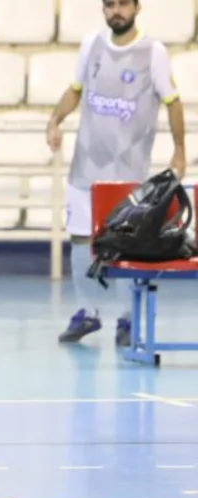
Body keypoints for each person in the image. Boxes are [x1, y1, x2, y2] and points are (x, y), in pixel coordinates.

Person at [46, 0, 186, 345]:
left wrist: (180, 150)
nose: (116, 12)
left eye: (123, 4)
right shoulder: (90, 45)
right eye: (109, 5)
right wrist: (54, 119)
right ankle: (86, 313)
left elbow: (173, 102)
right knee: (80, 238)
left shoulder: (152, 52)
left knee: (126, 245)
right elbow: (75, 91)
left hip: (128, 175)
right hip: (86, 168)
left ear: (137, 8)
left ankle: (127, 320)